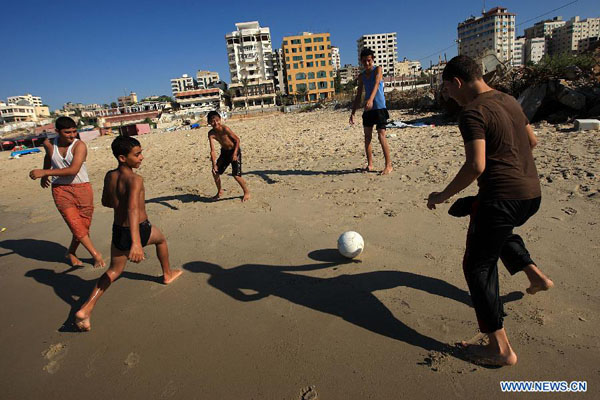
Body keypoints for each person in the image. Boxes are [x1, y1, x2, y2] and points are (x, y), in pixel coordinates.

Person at [427, 55, 553, 366]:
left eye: (447, 89)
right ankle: (535, 276)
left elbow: (476, 165)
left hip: (501, 198)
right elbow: (532, 141)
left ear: (458, 82)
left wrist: (442, 195)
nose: (448, 96)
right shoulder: (508, 99)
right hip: (531, 195)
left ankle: (500, 349)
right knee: (492, 226)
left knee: (477, 267)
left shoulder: (472, 112)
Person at [74, 136, 182, 331]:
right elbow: (133, 210)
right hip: (138, 229)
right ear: (123, 158)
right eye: (137, 154)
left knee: (114, 271)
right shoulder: (136, 179)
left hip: (118, 229)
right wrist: (136, 243)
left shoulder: (110, 175)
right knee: (161, 239)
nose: (142, 157)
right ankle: (167, 274)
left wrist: (119, 201)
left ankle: (86, 308)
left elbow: (107, 201)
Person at [29, 116, 105, 268]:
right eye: (67, 132)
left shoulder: (80, 146)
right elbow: (48, 157)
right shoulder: (49, 144)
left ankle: (71, 251)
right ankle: (96, 255)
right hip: (60, 190)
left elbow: (73, 170)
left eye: (74, 131)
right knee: (74, 223)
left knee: (83, 225)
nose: (72, 135)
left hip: (82, 187)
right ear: (57, 131)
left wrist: (44, 173)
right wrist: (45, 174)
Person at [350, 48, 393, 175]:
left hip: (379, 108)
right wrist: (353, 113)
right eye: (364, 61)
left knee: (381, 135)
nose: (367, 63)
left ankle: (388, 165)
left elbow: (376, 84)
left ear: (372, 59)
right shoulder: (362, 76)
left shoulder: (378, 70)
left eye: (368, 60)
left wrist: (371, 99)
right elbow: (358, 95)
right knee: (367, 137)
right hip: (368, 110)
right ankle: (370, 164)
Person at [207, 111, 251, 202]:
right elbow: (212, 151)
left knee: (236, 175)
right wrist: (214, 164)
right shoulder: (211, 133)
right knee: (215, 172)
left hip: (234, 150)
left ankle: (246, 192)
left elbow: (237, 140)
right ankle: (219, 191)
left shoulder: (225, 129)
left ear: (220, 120)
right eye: (212, 121)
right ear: (209, 123)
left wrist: (235, 154)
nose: (215, 123)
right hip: (224, 152)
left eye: (217, 120)